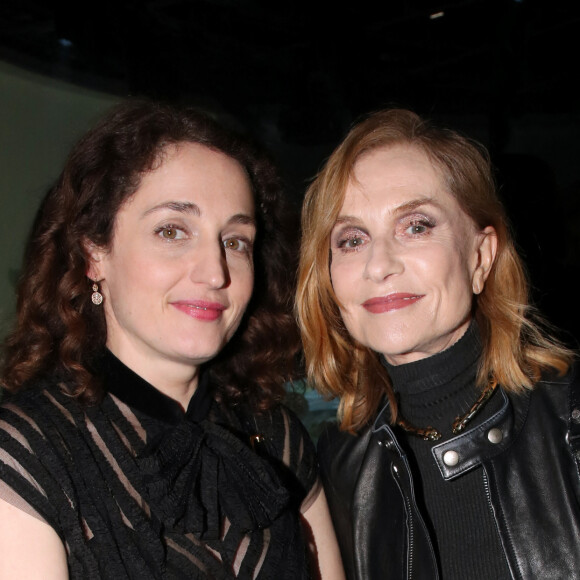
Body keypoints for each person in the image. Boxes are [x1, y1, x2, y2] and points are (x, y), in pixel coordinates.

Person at [0, 100, 344, 580]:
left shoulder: (276, 436)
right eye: (172, 230)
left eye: (235, 241)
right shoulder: (25, 452)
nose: (214, 271)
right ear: (94, 253)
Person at [296, 108, 580, 579]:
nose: (379, 264)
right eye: (351, 239)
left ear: (480, 257)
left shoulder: (571, 422)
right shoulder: (339, 469)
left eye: (417, 226)